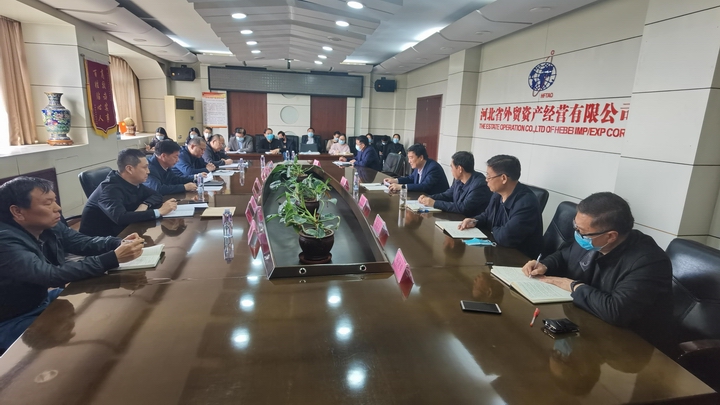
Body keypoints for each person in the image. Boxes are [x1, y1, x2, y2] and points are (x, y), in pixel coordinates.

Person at [0, 177, 145, 351]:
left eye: (55, 201)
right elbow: (49, 275)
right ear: (17, 211)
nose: (58, 208)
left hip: (40, 300)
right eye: (48, 203)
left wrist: (117, 242)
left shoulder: (46, 224)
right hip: (12, 318)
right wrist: (112, 258)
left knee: (101, 304)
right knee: (70, 345)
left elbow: (81, 242)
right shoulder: (4, 240)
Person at [521, 192, 673, 351]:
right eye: (575, 226)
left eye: (581, 231)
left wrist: (574, 286)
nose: (577, 233)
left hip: (627, 346)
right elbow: (564, 256)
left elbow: (616, 311)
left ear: (611, 236)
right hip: (585, 324)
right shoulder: (593, 239)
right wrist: (545, 265)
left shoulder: (649, 262)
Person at [80, 148, 178, 237]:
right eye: (144, 167)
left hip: (124, 232)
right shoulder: (109, 189)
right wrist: (158, 212)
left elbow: (156, 194)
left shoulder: (132, 182)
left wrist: (145, 204)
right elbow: (121, 217)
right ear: (129, 169)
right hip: (100, 242)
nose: (148, 171)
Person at [459, 154, 543, 258]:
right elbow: (487, 215)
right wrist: (475, 221)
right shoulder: (497, 195)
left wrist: (492, 228)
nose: (486, 180)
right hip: (497, 251)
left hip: (518, 259)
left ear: (503, 178)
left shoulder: (527, 203)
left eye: (489, 176)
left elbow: (506, 237)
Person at [418, 151, 491, 217]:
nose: (451, 170)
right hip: (458, 219)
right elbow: (447, 195)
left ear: (460, 169)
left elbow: (463, 208)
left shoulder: (479, 185)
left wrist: (434, 203)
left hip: (472, 223)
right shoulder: (458, 180)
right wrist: (428, 198)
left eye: (452, 167)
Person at [385, 144, 449, 195]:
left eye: (411, 158)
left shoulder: (433, 168)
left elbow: (424, 186)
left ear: (421, 157)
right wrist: (395, 181)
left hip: (436, 201)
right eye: (408, 158)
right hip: (422, 198)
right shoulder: (419, 166)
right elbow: (411, 178)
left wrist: (401, 187)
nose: (409, 161)